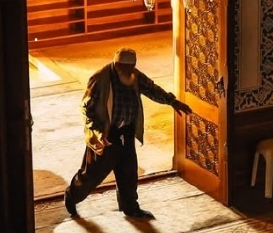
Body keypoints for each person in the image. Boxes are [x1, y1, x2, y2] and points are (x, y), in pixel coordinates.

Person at [64, 47, 192, 219]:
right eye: (124, 68)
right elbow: (87, 109)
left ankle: (130, 207)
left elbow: (151, 89)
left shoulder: (134, 76)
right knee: (93, 174)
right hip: (107, 135)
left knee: (128, 172)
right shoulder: (100, 79)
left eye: (131, 68)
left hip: (127, 132)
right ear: (116, 65)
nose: (128, 72)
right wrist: (98, 132)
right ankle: (72, 196)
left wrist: (172, 101)